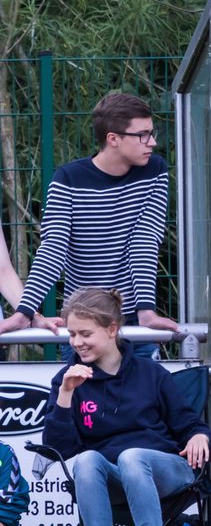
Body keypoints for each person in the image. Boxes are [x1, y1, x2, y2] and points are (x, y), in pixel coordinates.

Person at [42, 288, 211, 526]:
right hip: (112, 482)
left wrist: (199, 435)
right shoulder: (68, 379)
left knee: (132, 457)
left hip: (165, 472)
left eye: (85, 333)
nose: (76, 343)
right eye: (71, 334)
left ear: (111, 329)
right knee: (86, 461)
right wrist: (66, 394)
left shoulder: (151, 372)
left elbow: (187, 423)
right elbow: (57, 449)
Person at [0, 94, 176, 349]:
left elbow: (144, 241)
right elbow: (54, 248)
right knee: (79, 387)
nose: (153, 142)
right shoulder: (68, 179)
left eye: (151, 132)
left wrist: (146, 311)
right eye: (143, 135)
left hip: (132, 322)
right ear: (113, 139)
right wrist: (24, 314)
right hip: (83, 324)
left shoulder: (154, 171)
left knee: (141, 386)